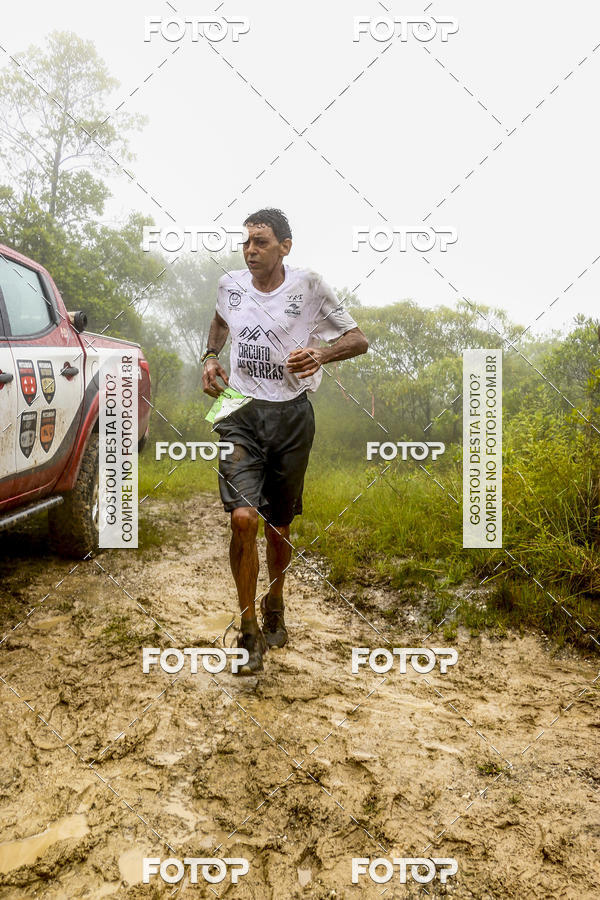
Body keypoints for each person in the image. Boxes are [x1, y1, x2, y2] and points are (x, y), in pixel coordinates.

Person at [202, 208, 369, 674]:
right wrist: (211, 356)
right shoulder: (230, 284)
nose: (250, 250)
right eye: (247, 242)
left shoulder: (309, 285)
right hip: (238, 411)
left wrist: (321, 352)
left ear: (284, 248)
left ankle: (274, 598)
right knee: (242, 519)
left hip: (292, 416)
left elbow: (358, 339)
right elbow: (219, 321)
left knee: (278, 526)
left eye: (261, 242)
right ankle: (248, 630)